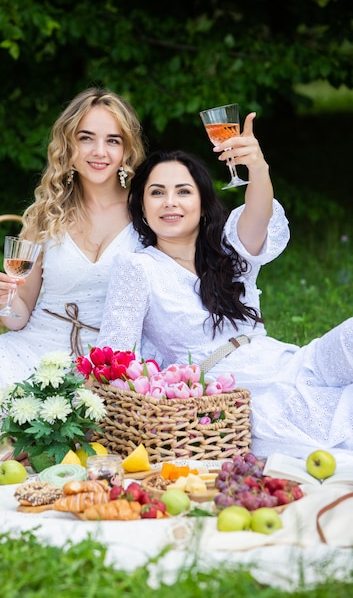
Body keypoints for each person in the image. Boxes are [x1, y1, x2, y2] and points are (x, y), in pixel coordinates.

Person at [97, 114, 353, 460]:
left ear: (202, 204)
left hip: (293, 362)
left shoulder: (227, 249)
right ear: (142, 207)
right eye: (157, 193)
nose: (170, 202)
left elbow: (258, 217)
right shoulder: (137, 268)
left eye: (183, 191)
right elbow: (116, 356)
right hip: (239, 393)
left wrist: (258, 169)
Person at [0, 87, 146, 447]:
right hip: (33, 351)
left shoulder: (148, 213)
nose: (99, 151)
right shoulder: (45, 216)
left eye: (113, 140)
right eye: (86, 138)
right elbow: (19, 317)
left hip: (111, 367)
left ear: (126, 149)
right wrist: (4, 298)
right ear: (68, 145)